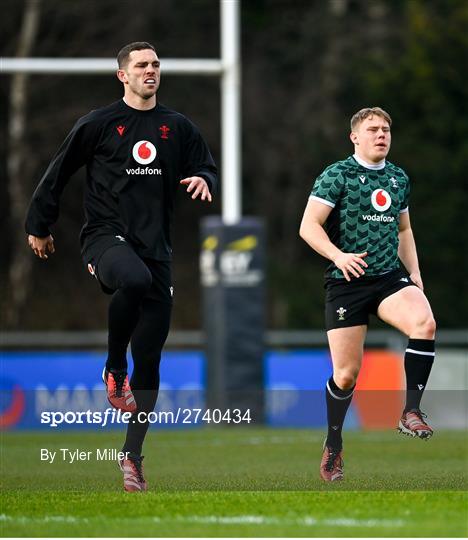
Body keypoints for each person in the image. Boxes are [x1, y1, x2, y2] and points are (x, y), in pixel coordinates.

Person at [25, 42, 217, 492]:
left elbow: (205, 165)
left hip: (157, 250)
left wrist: (204, 180)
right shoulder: (98, 123)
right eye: (141, 66)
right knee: (132, 278)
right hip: (104, 239)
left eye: (155, 65)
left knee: (150, 359)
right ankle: (114, 368)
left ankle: (131, 457)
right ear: (122, 75)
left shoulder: (177, 126)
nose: (150, 71)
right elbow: (59, 169)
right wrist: (39, 223)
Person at [299, 107, 436, 482]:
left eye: (386, 129)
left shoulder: (397, 178)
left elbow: (404, 230)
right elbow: (308, 227)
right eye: (372, 129)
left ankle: (411, 412)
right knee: (345, 375)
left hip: (389, 277)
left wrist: (415, 273)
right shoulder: (337, 174)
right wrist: (338, 256)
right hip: (347, 283)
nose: (381, 134)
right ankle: (334, 444)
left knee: (424, 322)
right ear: (355, 137)